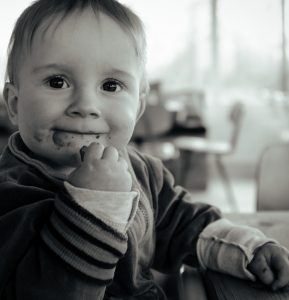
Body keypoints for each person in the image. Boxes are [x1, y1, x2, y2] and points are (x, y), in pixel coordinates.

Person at [0, 0, 289, 299]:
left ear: (138, 107)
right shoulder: (11, 192)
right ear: (15, 103)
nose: (85, 106)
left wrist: (246, 249)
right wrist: (94, 208)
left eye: (111, 85)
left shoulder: (144, 171)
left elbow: (184, 224)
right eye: (57, 82)